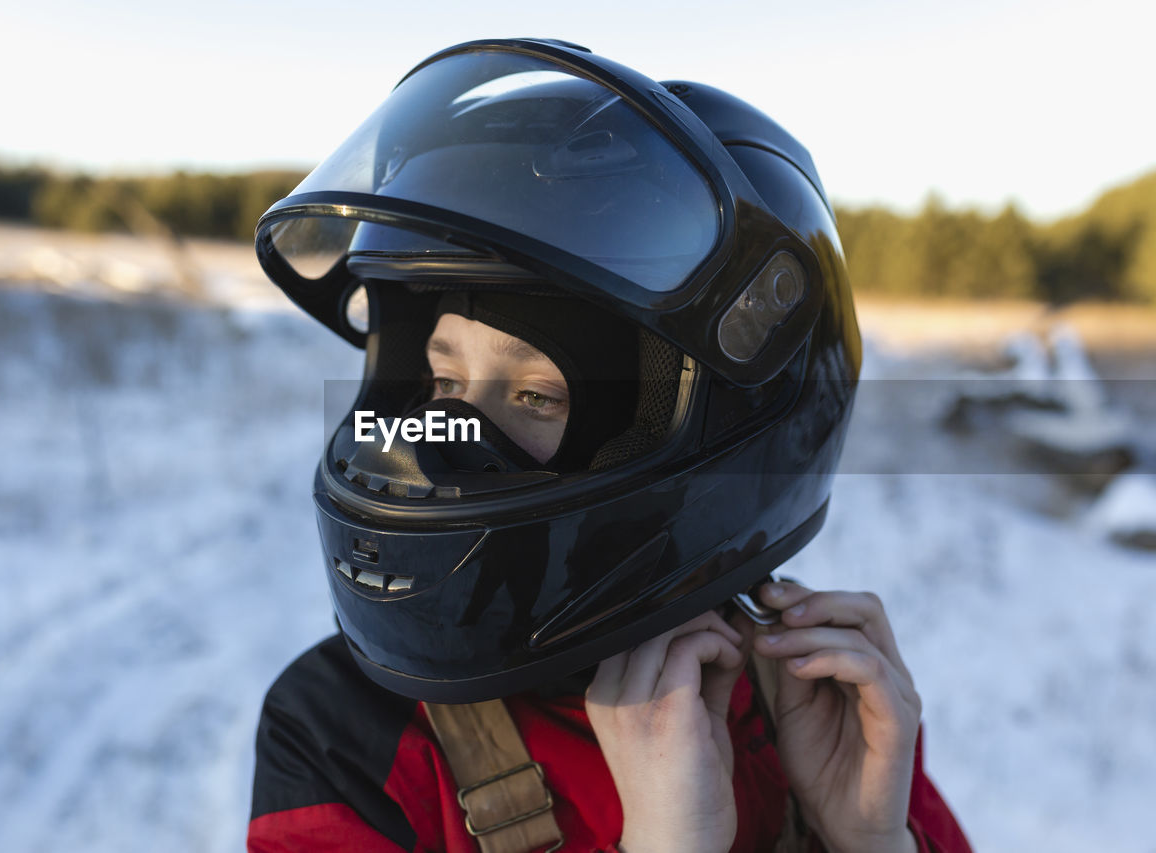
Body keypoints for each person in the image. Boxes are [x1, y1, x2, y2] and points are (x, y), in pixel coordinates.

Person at [247, 38, 972, 853]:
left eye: (532, 394)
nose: (442, 441)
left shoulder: (817, 702)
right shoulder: (341, 733)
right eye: (442, 385)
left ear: (710, 428)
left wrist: (872, 838)